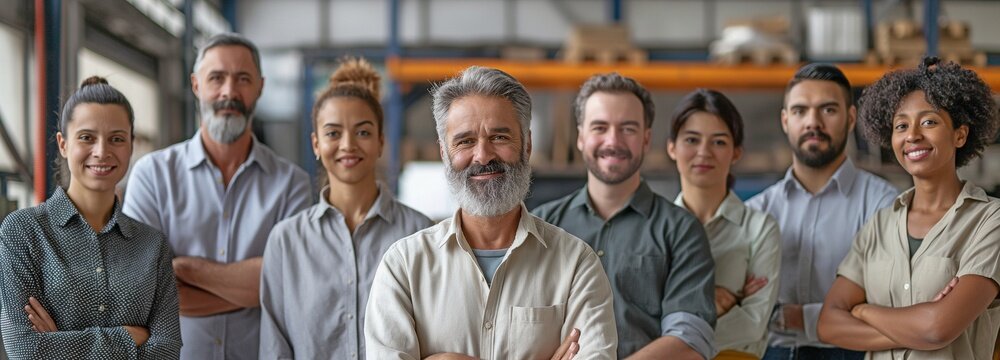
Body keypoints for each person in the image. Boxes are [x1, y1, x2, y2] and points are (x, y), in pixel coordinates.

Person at [364, 66, 617, 359]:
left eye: (499, 137)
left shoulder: (576, 266)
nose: (483, 156)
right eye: (465, 141)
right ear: (445, 153)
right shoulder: (404, 267)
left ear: (527, 144)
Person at [123, 33, 311, 360]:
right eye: (216, 78)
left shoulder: (291, 184)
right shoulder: (152, 176)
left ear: (260, 87)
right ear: (196, 85)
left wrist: (185, 270)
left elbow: (289, 288)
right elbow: (142, 295)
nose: (229, 92)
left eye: (242, 79)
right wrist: (254, 287)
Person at [818, 57, 1000, 359]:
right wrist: (917, 324)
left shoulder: (989, 222)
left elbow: (936, 329)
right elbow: (828, 323)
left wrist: (863, 311)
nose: (912, 135)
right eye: (901, 125)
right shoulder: (879, 224)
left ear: (960, 134)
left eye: (929, 121)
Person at [258, 57, 433, 359]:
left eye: (363, 132)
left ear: (380, 142)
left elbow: (434, 336)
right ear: (316, 144)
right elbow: (275, 349)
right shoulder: (286, 242)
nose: (348, 144)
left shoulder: (419, 233)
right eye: (333, 133)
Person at [533, 73, 715, 359]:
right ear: (581, 137)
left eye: (627, 128)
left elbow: (690, 339)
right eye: (600, 127)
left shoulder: (681, 230)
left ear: (645, 139)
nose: (613, 140)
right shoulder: (540, 227)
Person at [0, 77, 181, 358]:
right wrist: (131, 337)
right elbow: (27, 350)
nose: (101, 151)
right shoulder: (23, 232)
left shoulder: (152, 245)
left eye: (116, 139)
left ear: (131, 146)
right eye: (87, 137)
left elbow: (168, 350)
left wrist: (61, 344)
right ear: (63, 144)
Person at [746, 63, 898, 360]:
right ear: (785, 120)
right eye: (800, 111)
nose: (812, 122)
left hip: (855, 353)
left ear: (851, 118)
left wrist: (797, 317)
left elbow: (891, 301)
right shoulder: (757, 211)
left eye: (828, 110)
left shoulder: (884, 205)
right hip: (773, 353)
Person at [667, 89, 781, 359]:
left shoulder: (759, 228)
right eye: (692, 140)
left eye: (718, 142)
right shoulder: (654, 228)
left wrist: (675, 332)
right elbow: (639, 317)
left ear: (736, 152)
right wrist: (714, 303)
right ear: (672, 148)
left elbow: (753, 324)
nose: (704, 152)